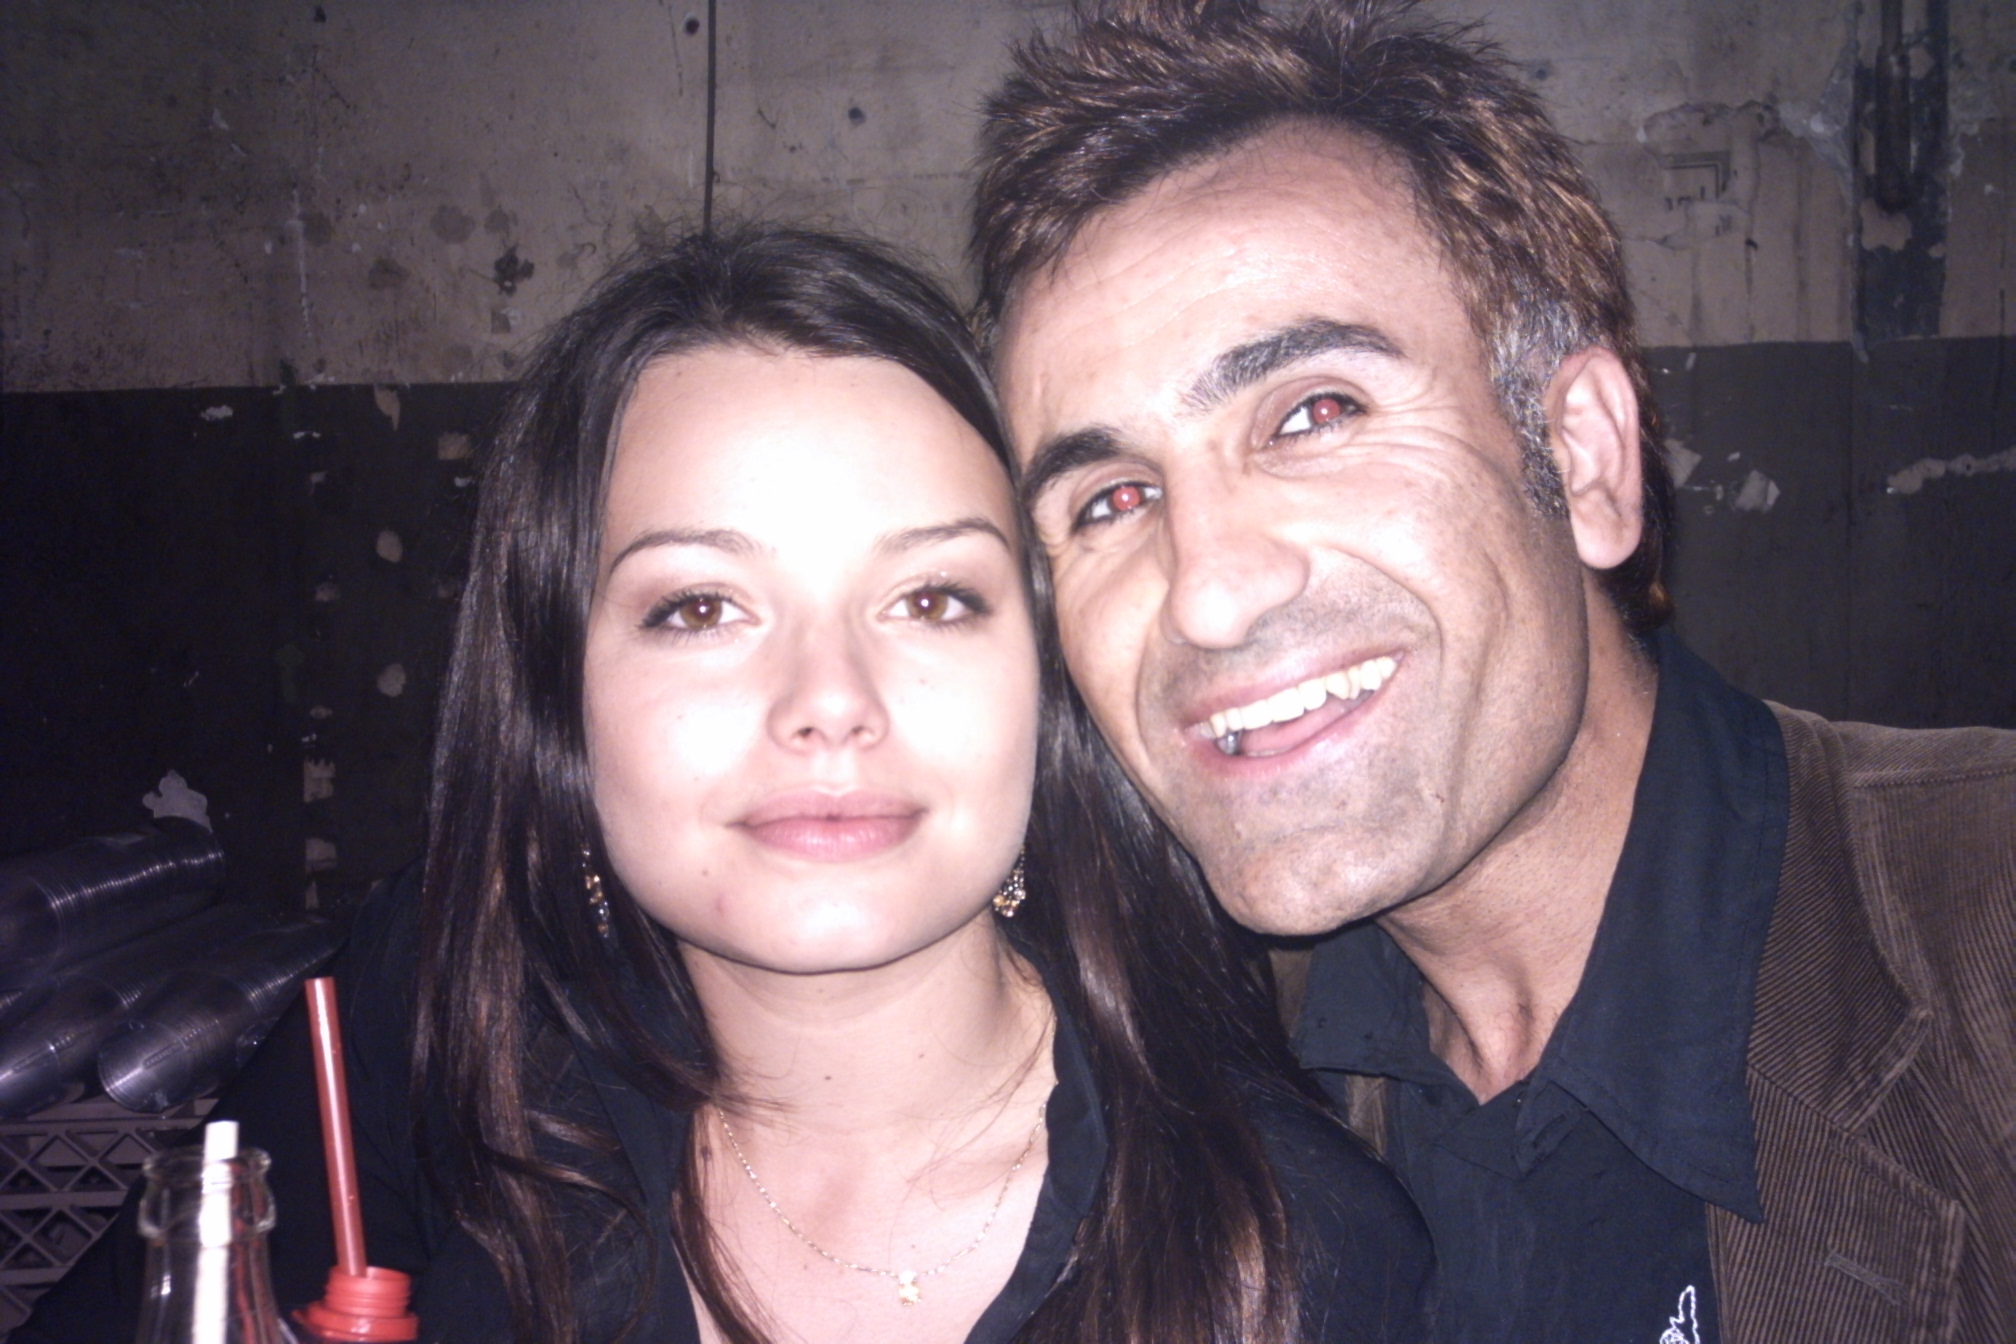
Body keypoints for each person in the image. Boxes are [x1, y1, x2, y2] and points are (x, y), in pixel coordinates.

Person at [20, 225, 1431, 1344]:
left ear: (1045, 683)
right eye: (699, 608)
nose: (830, 701)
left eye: (932, 598)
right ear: (560, 697)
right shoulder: (447, 1025)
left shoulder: (1293, 1254)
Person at [969, 3, 2016, 1343]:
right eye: (1111, 499)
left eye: (1314, 414)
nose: (1210, 594)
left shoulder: (1982, 936)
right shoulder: (1190, 1083)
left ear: (1583, 459)